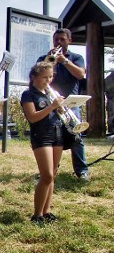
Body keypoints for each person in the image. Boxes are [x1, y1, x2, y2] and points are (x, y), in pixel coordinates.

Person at [36, 28, 89, 181]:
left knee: (76, 134)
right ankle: (51, 169)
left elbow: (80, 74)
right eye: (56, 39)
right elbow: (37, 78)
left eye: (62, 39)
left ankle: (82, 170)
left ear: (69, 41)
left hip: (70, 103)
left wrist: (64, 61)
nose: (58, 42)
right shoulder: (45, 58)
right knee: (51, 136)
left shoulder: (76, 57)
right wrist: (49, 61)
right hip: (49, 102)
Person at [21, 62, 66, 223]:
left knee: (52, 174)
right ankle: (37, 214)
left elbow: (56, 112)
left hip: (57, 132)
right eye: (45, 77)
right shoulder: (28, 94)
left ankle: (46, 211)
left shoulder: (50, 94)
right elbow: (33, 117)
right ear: (34, 77)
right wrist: (52, 107)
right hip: (41, 135)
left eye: (51, 76)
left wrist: (60, 108)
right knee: (46, 175)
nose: (48, 80)